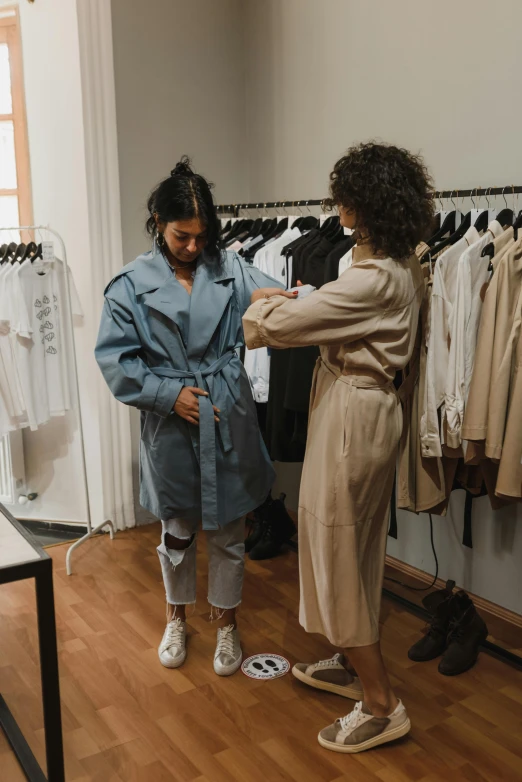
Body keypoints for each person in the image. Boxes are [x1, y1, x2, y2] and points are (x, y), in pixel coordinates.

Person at [243, 142, 434, 752]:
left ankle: (381, 703)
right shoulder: (392, 259)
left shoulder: (377, 276)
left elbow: (279, 327)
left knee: (333, 543)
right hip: (362, 405)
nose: (337, 203)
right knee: (355, 542)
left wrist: (262, 305)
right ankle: (354, 665)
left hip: (355, 410)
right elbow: (329, 308)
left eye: (345, 193)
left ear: (364, 202)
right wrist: (304, 301)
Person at [95, 157, 287, 677]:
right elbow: (116, 361)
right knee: (177, 529)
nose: (193, 247)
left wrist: (278, 300)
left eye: (202, 237)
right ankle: (175, 616)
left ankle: (226, 622)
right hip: (171, 420)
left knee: (229, 528)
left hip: (226, 409)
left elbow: (270, 295)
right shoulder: (129, 286)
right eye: (182, 236)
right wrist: (166, 393)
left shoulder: (229, 267)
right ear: (158, 221)